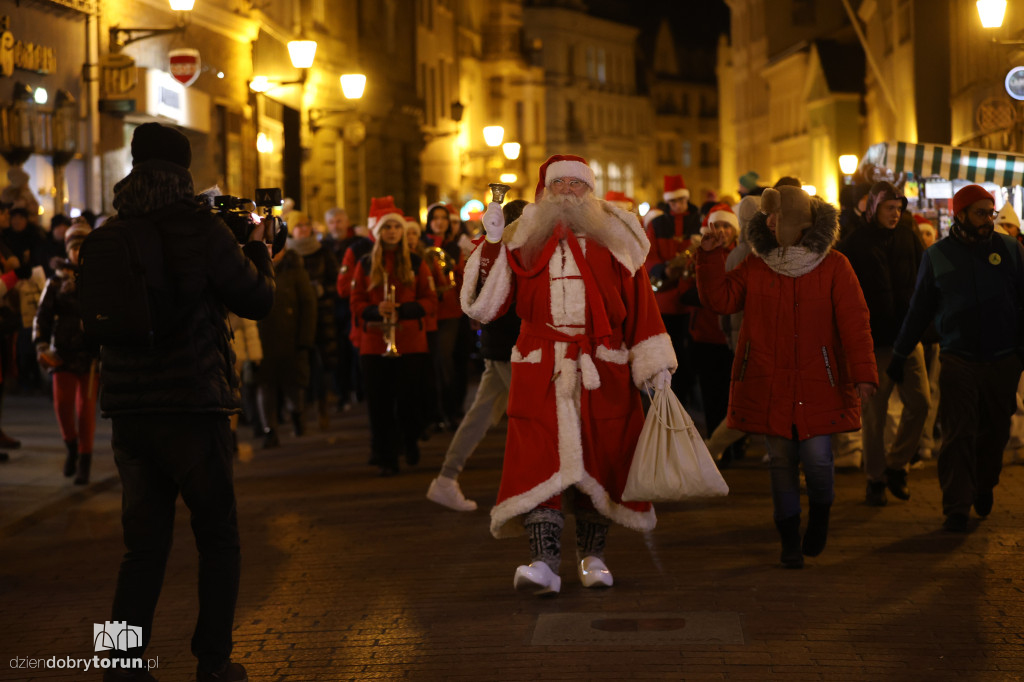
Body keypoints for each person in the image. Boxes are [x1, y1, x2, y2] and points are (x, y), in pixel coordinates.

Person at [100, 122, 274, 682]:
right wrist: (260, 251)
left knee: (141, 548)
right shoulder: (200, 228)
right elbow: (254, 300)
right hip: (192, 405)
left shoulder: (115, 229)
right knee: (218, 537)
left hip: (130, 411)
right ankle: (213, 662)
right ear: (184, 169)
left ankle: (120, 663)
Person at [463, 155, 677, 596]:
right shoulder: (521, 239)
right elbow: (485, 307)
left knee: (603, 462)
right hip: (540, 369)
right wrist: (491, 244)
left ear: (590, 191)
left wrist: (653, 365)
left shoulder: (618, 239)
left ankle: (592, 558)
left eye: (576, 184)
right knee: (540, 462)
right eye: (557, 183)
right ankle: (542, 563)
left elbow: (641, 308)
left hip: (604, 368)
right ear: (544, 191)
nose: (567, 191)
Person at [696, 184, 877, 569]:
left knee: (817, 461)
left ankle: (821, 516)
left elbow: (855, 324)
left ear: (799, 222)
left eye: (778, 217)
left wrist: (863, 375)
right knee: (780, 461)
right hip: (768, 378)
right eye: (769, 217)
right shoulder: (757, 264)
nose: (770, 223)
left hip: (820, 382)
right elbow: (723, 300)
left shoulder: (834, 266)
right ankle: (788, 538)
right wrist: (709, 261)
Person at [888, 184, 1024, 532]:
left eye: (990, 213)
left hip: (1003, 357)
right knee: (958, 431)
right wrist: (900, 353)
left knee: (995, 430)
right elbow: (919, 311)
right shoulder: (938, 256)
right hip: (958, 357)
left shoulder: (1010, 250)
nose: (987, 220)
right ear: (960, 214)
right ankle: (957, 505)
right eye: (980, 213)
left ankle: (984, 483)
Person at [427, 199, 527, 512]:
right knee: (531, 417)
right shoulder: (498, 252)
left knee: (481, 415)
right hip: (508, 347)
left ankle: (446, 478)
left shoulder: (498, 250)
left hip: (501, 346)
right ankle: (533, 488)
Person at [837, 181, 929, 506]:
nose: (896, 213)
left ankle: (897, 466)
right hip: (874, 342)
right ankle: (875, 479)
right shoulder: (854, 244)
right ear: (874, 207)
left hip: (908, 337)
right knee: (874, 415)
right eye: (890, 208)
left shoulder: (908, 236)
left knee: (920, 404)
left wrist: (924, 325)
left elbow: (925, 279)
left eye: (899, 208)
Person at [350, 198, 436, 476]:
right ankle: (385, 453)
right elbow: (356, 301)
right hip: (374, 343)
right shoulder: (364, 263)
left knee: (408, 399)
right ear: (378, 232)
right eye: (386, 227)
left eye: (395, 228)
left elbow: (429, 299)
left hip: (409, 340)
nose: (391, 232)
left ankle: (409, 442)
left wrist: (402, 309)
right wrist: (376, 310)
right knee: (379, 402)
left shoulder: (415, 262)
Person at [32, 222, 99, 484]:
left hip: (90, 354)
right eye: (74, 248)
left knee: (86, 409)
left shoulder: (97, 278)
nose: (77, 253)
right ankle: (71, 445)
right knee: (62, 405)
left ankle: (85, 459)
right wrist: (40, 344)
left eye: (82, 247)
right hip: (62, 353)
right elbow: (42, 315)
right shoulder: (56, 280)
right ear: (68, 250)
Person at [644, 175, 702, 408]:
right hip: (667, 299)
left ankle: (689, 393)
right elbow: (650, 255)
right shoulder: (657, 225)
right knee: (670, 350)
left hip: (691, 299)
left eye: (681, 200)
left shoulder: (698, 221)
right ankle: (672, 394)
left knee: (690, 352)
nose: (677, 205)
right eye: (673, 202)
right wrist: (663, 269)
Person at [255, 245, 317, 448]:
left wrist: (305, 340)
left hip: (291, 339)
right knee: (265, 387)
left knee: (294, 386)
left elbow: (308, 305)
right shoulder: (252, 268)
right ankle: (269, 429)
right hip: (263, 340)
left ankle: (296, 415)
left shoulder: (295, 270)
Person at [285, 211, 339, 430]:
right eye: (299, 226)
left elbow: (337, 283)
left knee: (322, 366)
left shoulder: (323, 252)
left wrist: (322, 290)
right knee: (300, 367)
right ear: (291, 229)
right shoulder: (287, 254)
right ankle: (300, 413)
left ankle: (323, 408)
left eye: (306, 225)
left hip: (322, 315)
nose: (303, 229)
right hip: (296, 319)